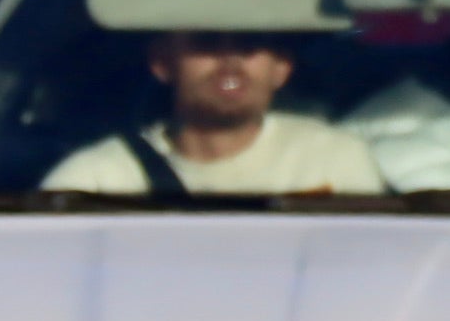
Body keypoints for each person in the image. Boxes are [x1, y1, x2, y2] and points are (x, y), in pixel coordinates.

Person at [40, 28, 386, 198]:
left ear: (281, 68)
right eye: (206, 42)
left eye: (249, 44)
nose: (230, 62)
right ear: (163, 63)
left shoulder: (333, 160)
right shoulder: (96, 180)